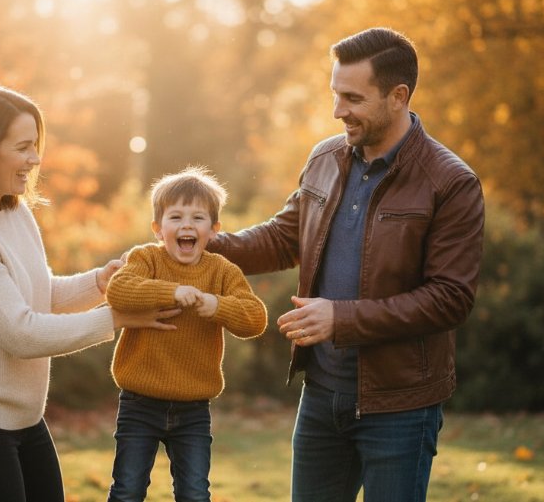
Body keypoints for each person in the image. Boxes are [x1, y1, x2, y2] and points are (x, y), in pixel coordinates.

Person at [207, 27, 485, 501]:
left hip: (400, 405)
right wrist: (207, 245)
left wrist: (341, 318)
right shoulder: (326, 157)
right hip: (320, 396)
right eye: (336, 94)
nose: (338, 111)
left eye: (352, 98)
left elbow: (450, 299)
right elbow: (284, 237)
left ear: (398, 96)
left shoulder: (450, 183)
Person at [0, 85, 180, 502]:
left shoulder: (14, 212)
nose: (35, 160)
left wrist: (99, 283)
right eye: (23, 147)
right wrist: (115, 317)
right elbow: (20, 333)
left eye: (35, 146)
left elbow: (37, 294)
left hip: (22, 417)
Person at [105, 166, 268, 502]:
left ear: (214, 229)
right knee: (127, 489)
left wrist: (218, 305)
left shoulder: (222, 272)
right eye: (175, 217)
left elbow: (255, 318)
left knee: (194, 493)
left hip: (193, 408)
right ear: (158, 228)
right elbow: (119, 290)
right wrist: (171, 291)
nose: (186, 226)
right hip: (140, 403)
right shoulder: (145, 258)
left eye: (198, 218)